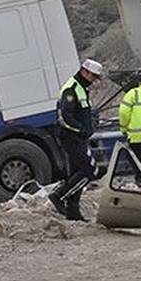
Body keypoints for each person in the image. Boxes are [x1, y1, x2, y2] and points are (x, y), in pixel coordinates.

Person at [49, 59, 103, 221]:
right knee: (90, 170)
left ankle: (73, 212)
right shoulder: (72, 89)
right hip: (71, 137)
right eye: (93, 76)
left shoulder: (81, 88)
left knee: (75, 174)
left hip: (77, 137)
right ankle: (59, 196)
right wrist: (82, 129)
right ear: (84, 72)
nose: (94, 80)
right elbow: (64, 116)